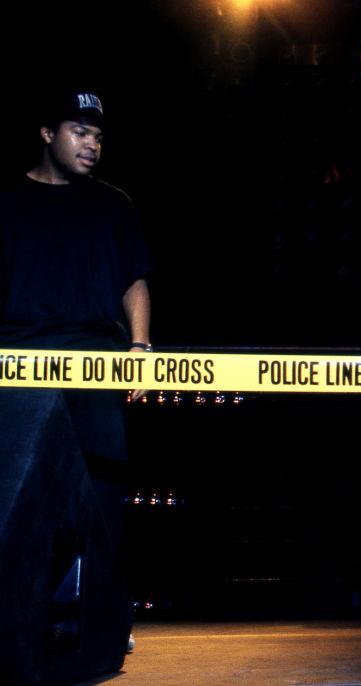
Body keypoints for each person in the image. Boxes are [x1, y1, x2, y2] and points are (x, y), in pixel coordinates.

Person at [0, 87, 153, 652]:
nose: (92, 145)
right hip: (17, 364)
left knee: (102, 494)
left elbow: (134, 279)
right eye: (79, 132)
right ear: (47, 134)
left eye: (98, 136)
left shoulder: (113, 204)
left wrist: (139, 349)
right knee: (19, 493)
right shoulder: (8, 201)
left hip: (97, 364)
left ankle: (104, 613)